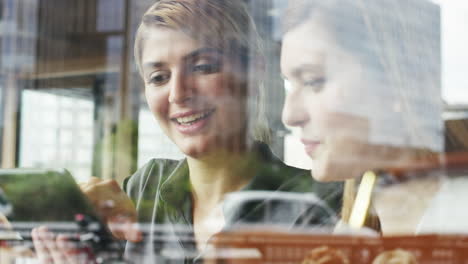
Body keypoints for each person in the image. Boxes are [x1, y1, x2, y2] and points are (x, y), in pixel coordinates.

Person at [31, 0, 342, 263]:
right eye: (158, 77)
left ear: (254, 71)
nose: (178, 94)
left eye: (203, 67)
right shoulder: (143, 189)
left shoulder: (323, 205)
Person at [280, 0, 445, 234]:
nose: (289, 115)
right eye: (288, 85)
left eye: (312, 81)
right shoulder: (345, 234)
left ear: (397, 85)